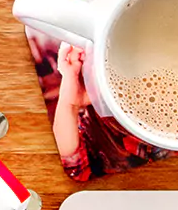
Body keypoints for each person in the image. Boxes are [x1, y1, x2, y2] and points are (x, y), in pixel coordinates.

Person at [51, 41, 171, 181]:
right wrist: (69, 104)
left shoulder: (171, 101)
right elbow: (72, 170)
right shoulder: (92, 125)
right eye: (92, 60)